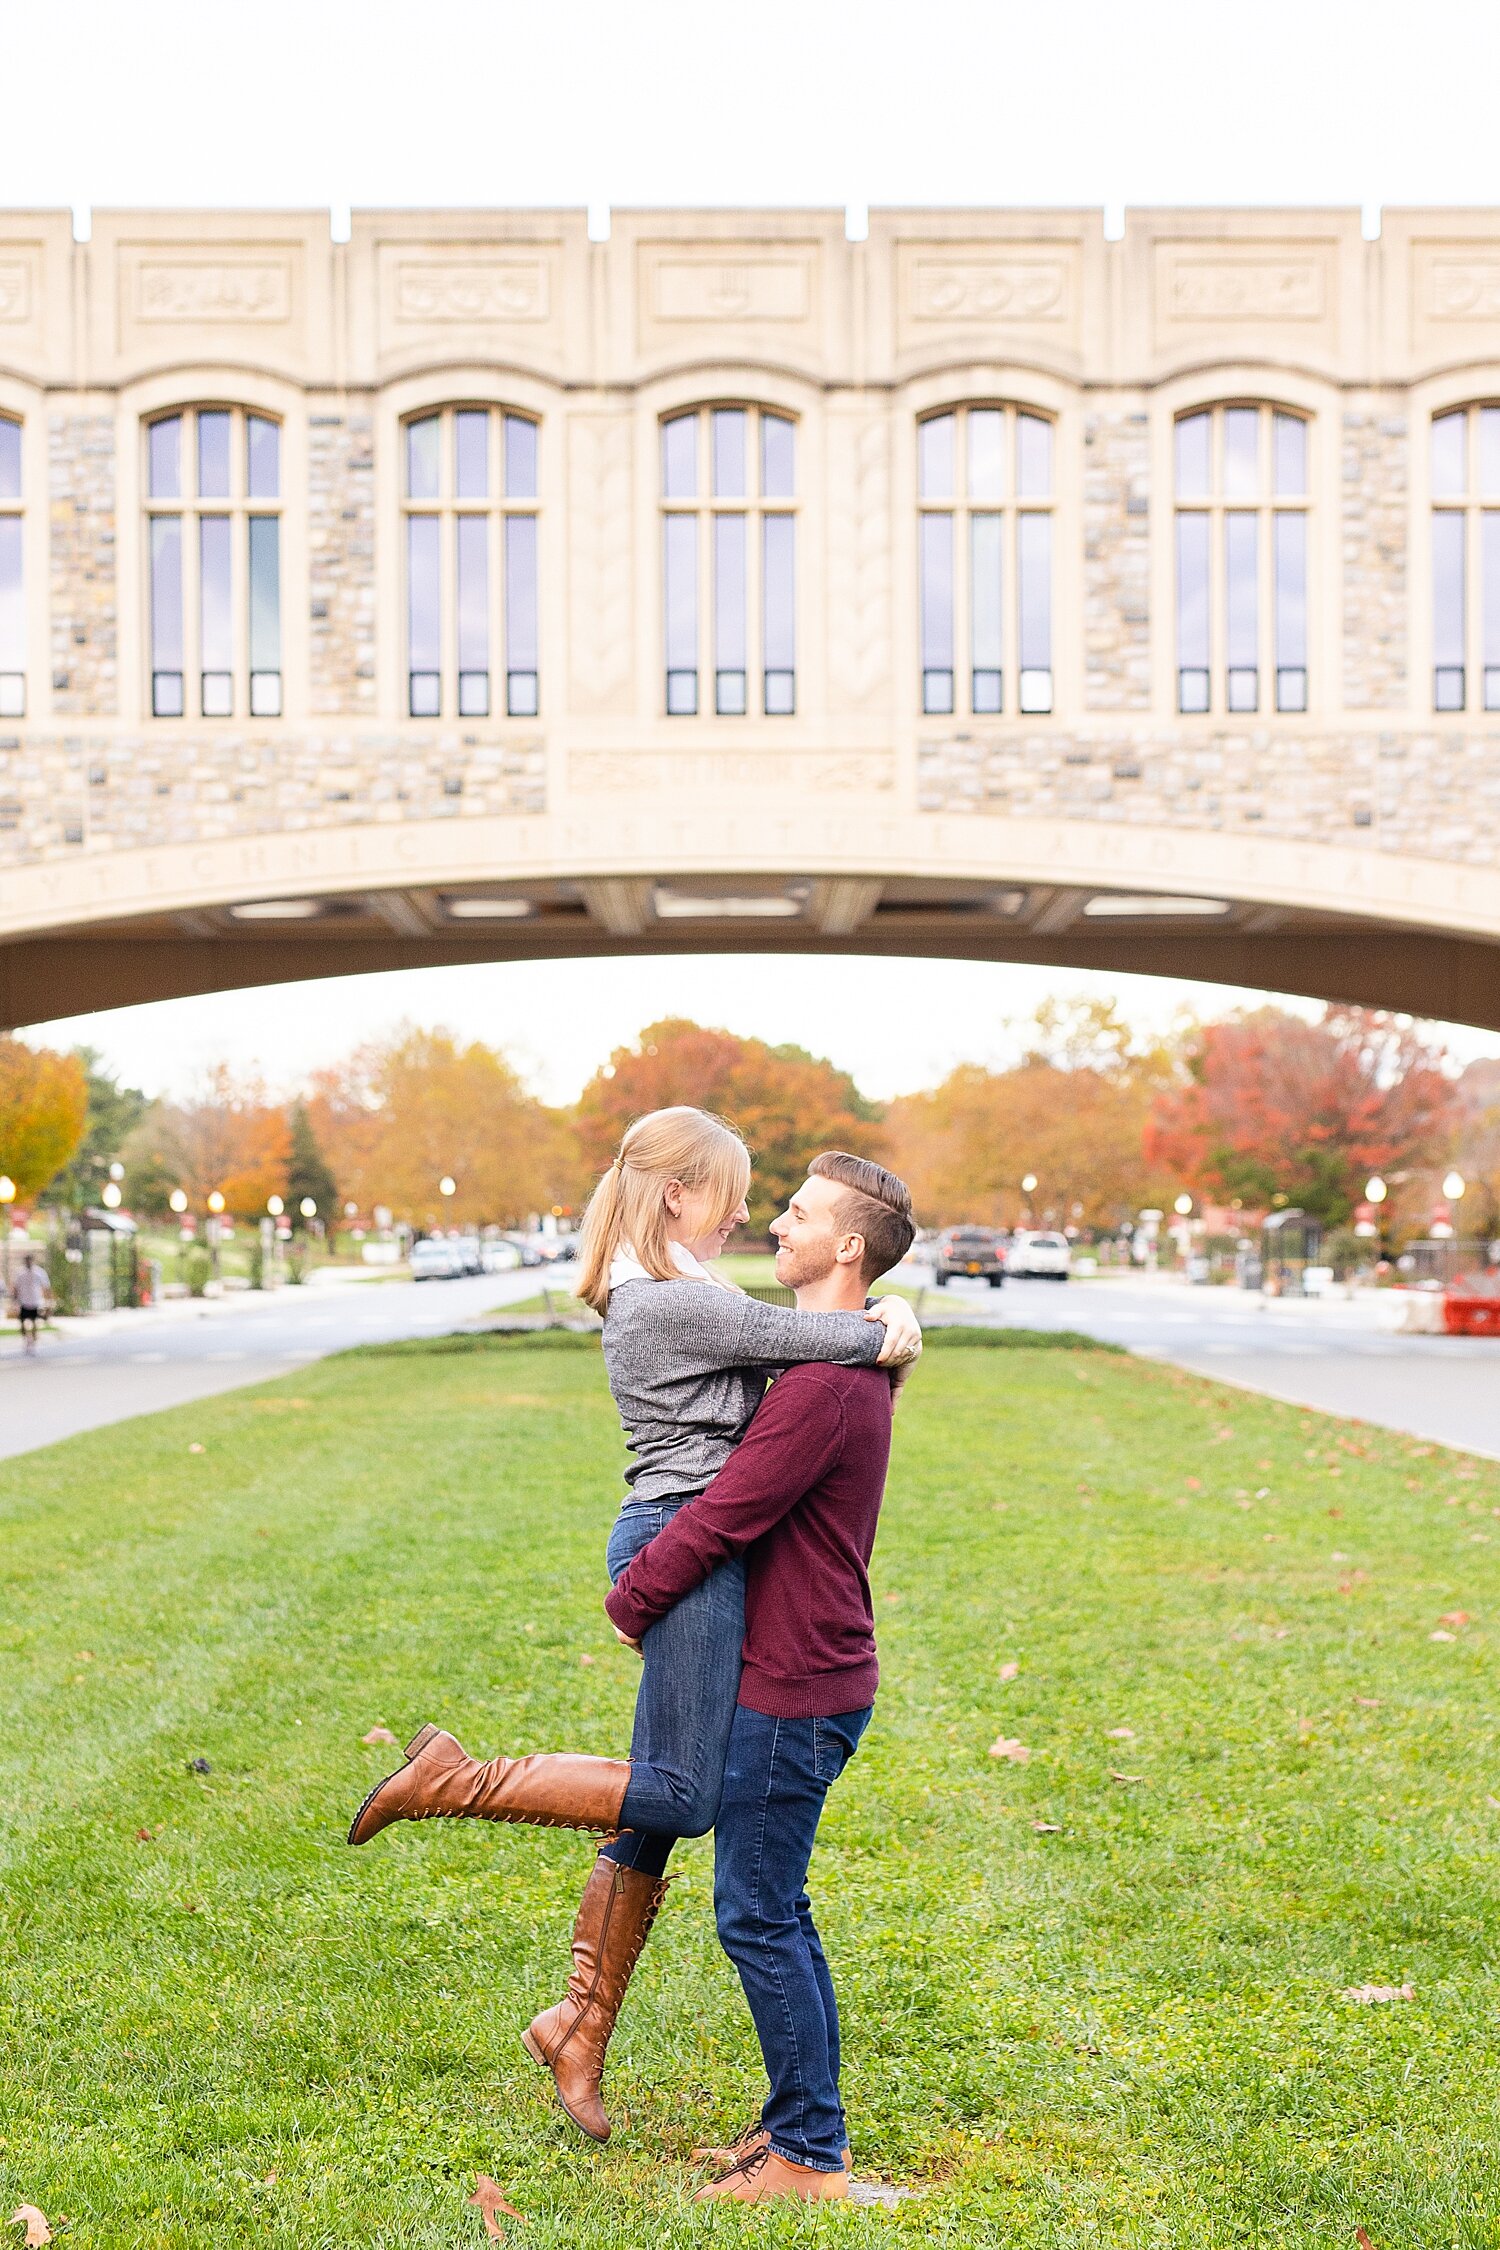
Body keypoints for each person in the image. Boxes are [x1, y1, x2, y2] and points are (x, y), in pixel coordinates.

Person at [347, 1109, 922, 2140]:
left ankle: (579, 2023)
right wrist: (891, 1323)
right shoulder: (659, 1298)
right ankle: (454, 1780)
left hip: (689, 1540)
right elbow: (809, 1340)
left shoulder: (688, 1287)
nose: (751, 1213)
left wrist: (891, 1306)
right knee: (684, 1792)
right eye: (740, 1193)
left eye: (776, 1203)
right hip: (677, 1537)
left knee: (659, 1805)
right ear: (676, 1194)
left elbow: (794, 1351)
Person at [604, 1153, 915, 2203]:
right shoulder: (832, 1369)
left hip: (796, 1683)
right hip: (807, 1671)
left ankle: (809, 2159)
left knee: (757, 1913)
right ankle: (797, 2130)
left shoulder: (820, 1391)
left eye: (799, 1213)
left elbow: (724, 1516)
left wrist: (632, 1598)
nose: (777, 1222)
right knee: (774, 1907)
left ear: (849, 1248)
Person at [12, 1251, 52, 1355]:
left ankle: (33, 1343)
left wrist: (48, 1302)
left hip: (35, 1301)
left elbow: (46, 1287)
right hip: (23, 1302)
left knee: (34, 1322)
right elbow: (15, 1288)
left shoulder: (39, 1272)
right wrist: (14, 1301)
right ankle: (26, 1340)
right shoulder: (20, 1273)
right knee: (22, 1323)